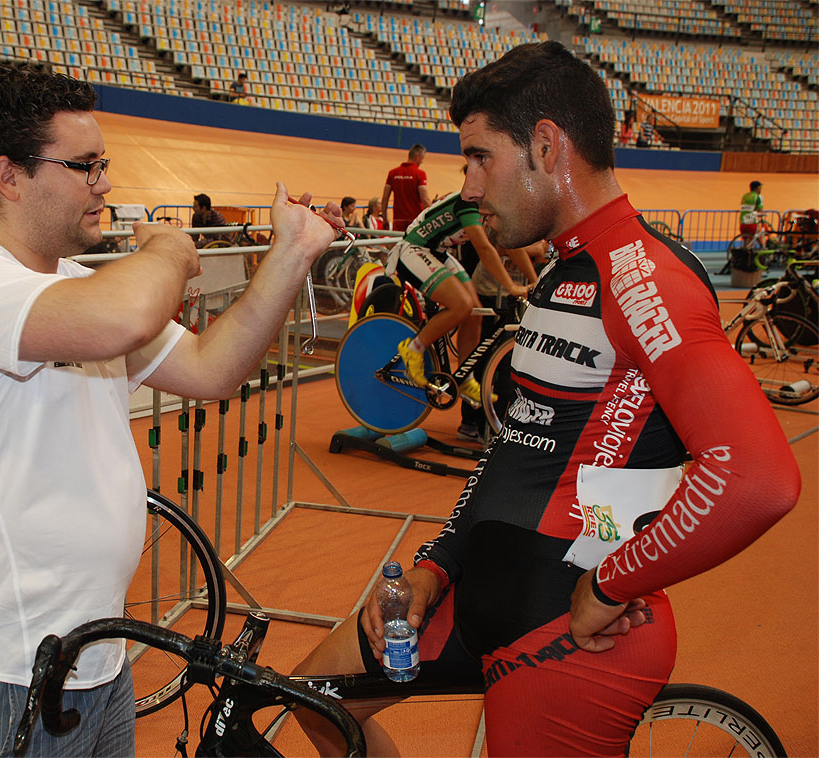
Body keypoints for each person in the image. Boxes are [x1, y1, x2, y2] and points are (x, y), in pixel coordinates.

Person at [294, 40, 799, 756]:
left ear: (545, 144)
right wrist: (442, 563)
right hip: (481, 588)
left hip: (569, 635)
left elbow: (757, 478)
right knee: (315, 704)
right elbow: (520, 444)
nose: (467, 188)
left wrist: (615, 581)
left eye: (479, 157)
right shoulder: (567, 268)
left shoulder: (644, 276)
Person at [0, 64, 343, 758]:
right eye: (85, 165)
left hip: (94, 653)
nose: (104, 182)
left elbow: (211, 369)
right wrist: (166, 247)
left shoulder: (73, 286)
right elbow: (127, 314)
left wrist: (292, 253)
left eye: (104, 164)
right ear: (9, 177)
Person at [387, 188, 531, 408]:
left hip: (438, 252)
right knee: (461, 305)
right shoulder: (471, 201)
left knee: (474, 311)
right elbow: (484, 248)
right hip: (415, 249)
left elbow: (509, 245)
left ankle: (465, 379)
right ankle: (413, 348)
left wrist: (535, 280)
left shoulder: (496, 205)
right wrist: (511, 286)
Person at [456, 233, 543, 442]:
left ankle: (485, 423)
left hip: (508, 296)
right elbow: (508, 247)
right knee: (488, 363)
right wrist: (534, 253)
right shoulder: (506, 220)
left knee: (502, 365)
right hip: (490, 295)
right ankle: (478, 424)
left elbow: (542, 250)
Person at [381, 143, 431, 231]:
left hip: (398, 218)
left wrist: (385, 218)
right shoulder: (420, 174)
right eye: (422, 159)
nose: (422, 162)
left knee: (399, 243)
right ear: (418, 157)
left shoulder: (393, 173)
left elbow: (385, 199)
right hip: (416, 219)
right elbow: (425, 199)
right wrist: (432, 215)